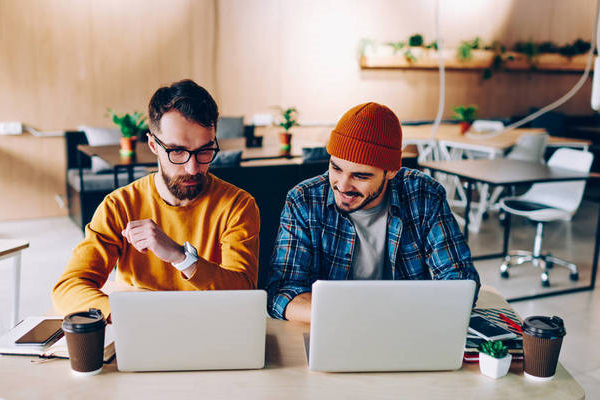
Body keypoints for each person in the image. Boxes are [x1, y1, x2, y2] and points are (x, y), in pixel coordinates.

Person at [52, 79, 260, 317]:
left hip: (210, 324)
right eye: (177, 151)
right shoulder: (119, 205)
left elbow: (244, 295)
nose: (193, 168)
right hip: (137, 328)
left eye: (204, 150)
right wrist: (128, 316)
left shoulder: (238, 205)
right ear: (153, 144)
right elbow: (68, 287)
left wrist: (181, 257)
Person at [267, 102, 480, 322]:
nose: (343, 185)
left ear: (391, 171)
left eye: (360, 176)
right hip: (335, 326)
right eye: (336, 168)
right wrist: (356, 316)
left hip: (405, 327)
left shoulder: (424, 195)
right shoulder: (304, 200)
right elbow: (282, 292)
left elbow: (460, 279)